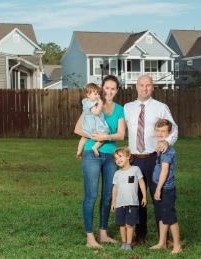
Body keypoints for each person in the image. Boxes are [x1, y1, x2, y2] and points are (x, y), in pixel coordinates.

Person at [124, 74, 178, 244]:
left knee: (158, 197)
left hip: (154, 159)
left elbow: (174, 129)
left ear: (153, 87)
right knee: (137, 198)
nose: (144, 88)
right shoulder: (127, 108)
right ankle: (140, 235)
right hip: (134, 159)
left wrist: (166, 142)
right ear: (136, 87)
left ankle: (165, 237)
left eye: (148, 85)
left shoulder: (161, 107)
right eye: (141, 85)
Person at [73, 75, 125, 249]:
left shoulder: (119, 109)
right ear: (101, 88)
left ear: (116, 91)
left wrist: (106, 136)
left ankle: (103, 233)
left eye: (113, 88)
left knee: (108, 196)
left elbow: (121, 135)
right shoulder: (91, 103)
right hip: (91, 154)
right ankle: (90, 237)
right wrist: (94, 136)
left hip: (111, 156)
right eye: (106, 88)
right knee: (92, 195)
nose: (108, 91)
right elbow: (77, 129)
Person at [149, 119, 181, 254]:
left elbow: (165, 171)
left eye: (164, 131)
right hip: (160, 186)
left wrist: (157, 189)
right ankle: (162, 242)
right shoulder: (160, 146)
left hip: (165, 188)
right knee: (162, 215)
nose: (161, 133)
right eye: (158, 130)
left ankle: (177, 246)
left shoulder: (167, 151)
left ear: (169, 133)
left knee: (170, 217)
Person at [111, 147, 147, 250]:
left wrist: (144, 196)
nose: (118, 160)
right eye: (116, 158)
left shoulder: (135, 169)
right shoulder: (117, 173)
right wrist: (113, 202)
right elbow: (115, 188)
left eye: (120, 156)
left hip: (132, 203)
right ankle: (123, 243)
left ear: (128, 156)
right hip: (120, 203)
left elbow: (141, 183)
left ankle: (129, 244)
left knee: (129, 224)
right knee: (122, 224)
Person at [76, 83, 109, 159]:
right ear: (88, 95)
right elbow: (96, 112)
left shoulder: (85, 101)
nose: (97, 95)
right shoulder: (91, 103)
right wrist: (100, 103)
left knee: (84, 137)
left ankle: (79, 151)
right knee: (104, 135)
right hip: (93, 124)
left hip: (87, 124)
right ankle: (95, 147)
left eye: (98, 93)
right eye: (95, 94)